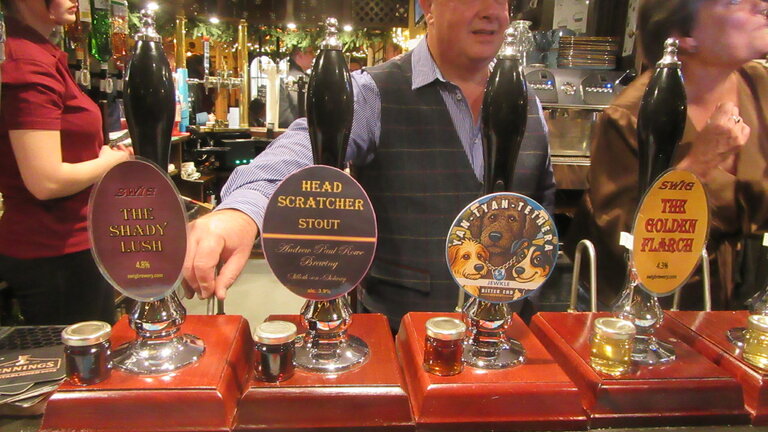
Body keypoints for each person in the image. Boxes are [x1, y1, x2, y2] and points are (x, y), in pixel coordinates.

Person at [183, 0, 556, 329]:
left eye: (503, 0)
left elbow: (542, 215)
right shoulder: (373, 91)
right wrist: (240, 213)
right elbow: (300, 153)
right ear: (429, 6)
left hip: (506, 340)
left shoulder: (529, 103)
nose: (492, 12)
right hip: (397, 338)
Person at [566, 0, 768, 310]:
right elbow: (627, 245)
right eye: (733, 1)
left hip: (750, 309)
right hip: (660, 308)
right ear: (684, 35)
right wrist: (700, 162)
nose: (760, 5)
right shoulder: (631, 116)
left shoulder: (760, 85)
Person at [0, 0, 133, 325]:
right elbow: (46, 181)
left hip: (70, 243)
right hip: (54, 249)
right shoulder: (27, 63)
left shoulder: (41, 56)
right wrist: (110, 161)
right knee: (80, 354)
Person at [278, 46, 315, 128]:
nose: (313, 56)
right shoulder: (295, 77)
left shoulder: (292, 75)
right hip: (293, 128)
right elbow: (305, 105)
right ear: (299, 55)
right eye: (310, 52)